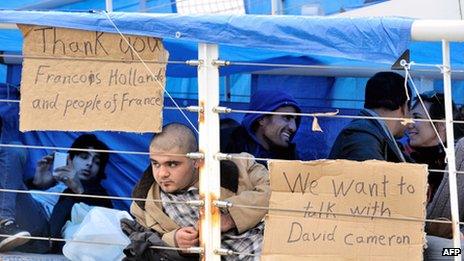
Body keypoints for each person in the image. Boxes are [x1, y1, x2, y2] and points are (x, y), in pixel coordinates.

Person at [128, 123, 270, 260]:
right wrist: (174, 241)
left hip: (270, 251)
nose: (162, 174)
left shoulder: (241, 165)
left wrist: (231, 216)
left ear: (196, 160)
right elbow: (142, 244)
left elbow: (276, 192)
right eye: (156, 164)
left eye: (172, 164)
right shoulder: (143, 205)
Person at [0, 134, 113, 253]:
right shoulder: (52, 182)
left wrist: (78, 189)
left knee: (14, 150)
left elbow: (105, 217)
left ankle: (4, 224)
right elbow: (8, 196)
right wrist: (36, 184)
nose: (89, 164)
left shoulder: (97, 193)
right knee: (12, 151)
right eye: (84, 157)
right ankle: (5, 225)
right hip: (22, 216)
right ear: (70, 159)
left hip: (41, 231)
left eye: (97, 162)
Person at [329, 71, 411, 162]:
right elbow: (375, 174)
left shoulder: (372, 133)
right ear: (405, 107)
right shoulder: (363, 134)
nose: (411, 124)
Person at [405, 91, 464, 200]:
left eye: (417, 117)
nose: (408, 124)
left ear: (442, 124)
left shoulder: (458, 163)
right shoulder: (401, 156)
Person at [221, 90, 301, 161]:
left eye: (295, 120)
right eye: (287, 118)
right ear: (262, 119)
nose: (293, 128)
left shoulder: (291, 159)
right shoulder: (224, 145)